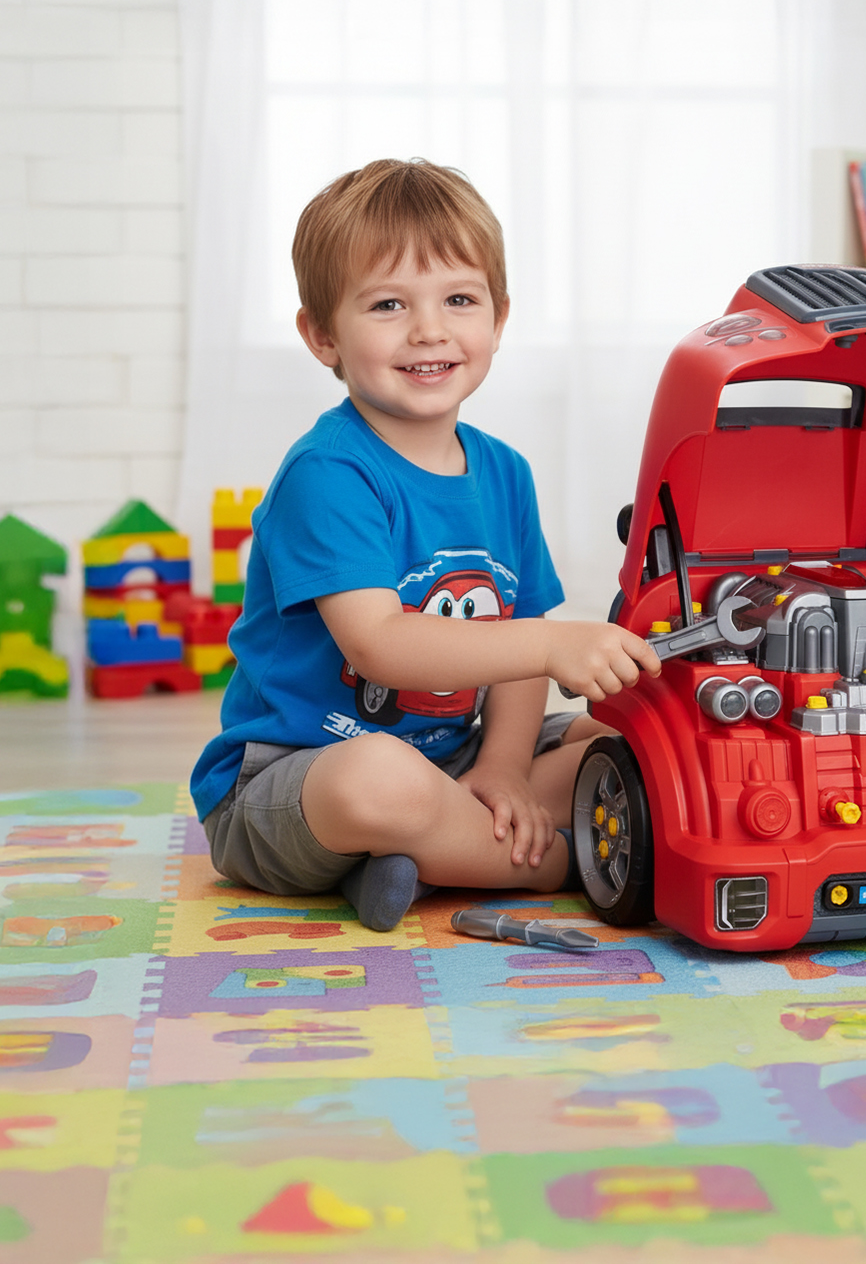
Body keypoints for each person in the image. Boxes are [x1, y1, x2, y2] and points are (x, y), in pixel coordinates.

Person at [188, 159, 660, 931]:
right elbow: (379, 645)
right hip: (293, 777)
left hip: (454, 753)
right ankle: (558, 862)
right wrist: (551, 645)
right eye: (388, 304)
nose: (429, 330)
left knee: (631, 744)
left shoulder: (504, 472)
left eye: (459, 300)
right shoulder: (327, 472)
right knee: (381, 779)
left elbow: (516, 643)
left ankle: (423, 855)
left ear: (499, 319)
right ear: (322, 334)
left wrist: (503, 769)